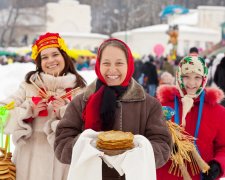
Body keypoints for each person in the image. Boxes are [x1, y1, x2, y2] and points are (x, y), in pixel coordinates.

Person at [54, 38, 172, 180]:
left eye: (119, 63)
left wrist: (137, 152)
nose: (112, 69)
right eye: (106, 63)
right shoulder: (81, 101)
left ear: (129, 65)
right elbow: (61, 145)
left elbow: (163, 146)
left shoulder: (149, 105)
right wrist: (87, 146)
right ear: (98, 65)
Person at [1, 32, 86, 180]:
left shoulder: (80, 90)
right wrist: (27, 111)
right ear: (39, 62)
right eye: (44, 57)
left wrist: (66, 112)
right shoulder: (28, 86)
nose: (50, 60)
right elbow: (2, 115)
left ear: (64, 56)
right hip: (27, 167)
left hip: (63, 166)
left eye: (55, 54)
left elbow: (88, 128)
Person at [156, 55, 225, 180]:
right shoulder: (161, 106)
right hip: (167, 175)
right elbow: (151, 138)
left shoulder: (217, 111)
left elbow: (223, 147)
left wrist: (219, 165)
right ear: (178, 76)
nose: (191, 83)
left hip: (200, 176)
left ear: (204, 79)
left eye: (197, 77)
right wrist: (165, 146)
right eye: (186, 76)